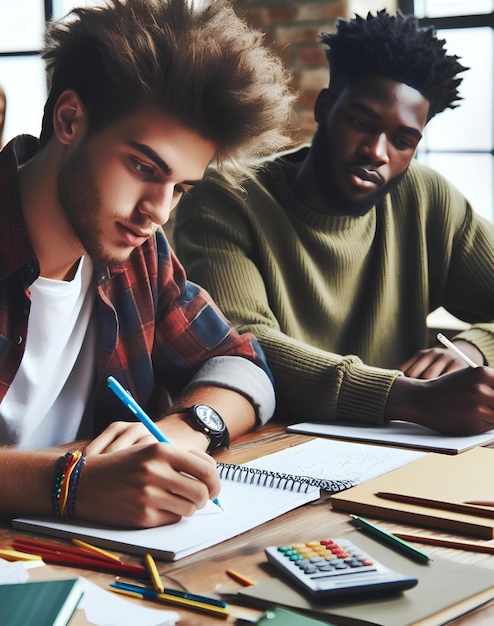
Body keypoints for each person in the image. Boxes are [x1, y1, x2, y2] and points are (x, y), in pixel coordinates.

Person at [0, 0, 295, 528]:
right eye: (143, 168)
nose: (157, 211)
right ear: (69, 119)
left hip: (97, 560)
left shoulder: (140, 253)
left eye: (180, 188)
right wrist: (73, 482)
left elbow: (242, 365)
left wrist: (186, 428)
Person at [175, 10, 494, 437]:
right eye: (361, 123)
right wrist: (411, 398)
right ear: (325, 108)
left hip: (406, 447)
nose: (377, 152)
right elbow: (243, 345)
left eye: (402, 141)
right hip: (271, 445)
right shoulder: (229, 195)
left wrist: (477, 346)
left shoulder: (427, 197)